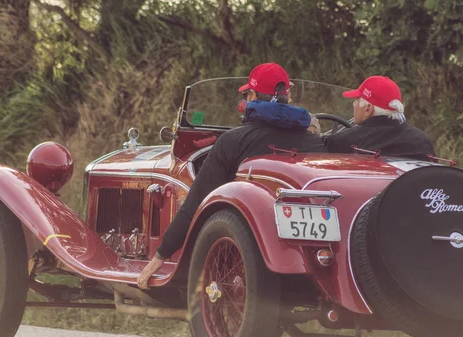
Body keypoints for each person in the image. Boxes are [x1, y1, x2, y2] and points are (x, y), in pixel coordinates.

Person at [137, 63, 325, 289]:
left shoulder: (232, 142)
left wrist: (159, 256)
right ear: (288, 97)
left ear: (252, 96)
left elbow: (196, 203)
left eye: (247, 94)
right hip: (311, 256)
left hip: (242, 256)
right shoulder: (314, 142)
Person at [325, 76, 435, 160]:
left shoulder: (349, 139)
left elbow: (315, 152)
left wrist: (312, 128)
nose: (354, 104)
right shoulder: (422, 140)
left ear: (368, 109)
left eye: (357, 100)